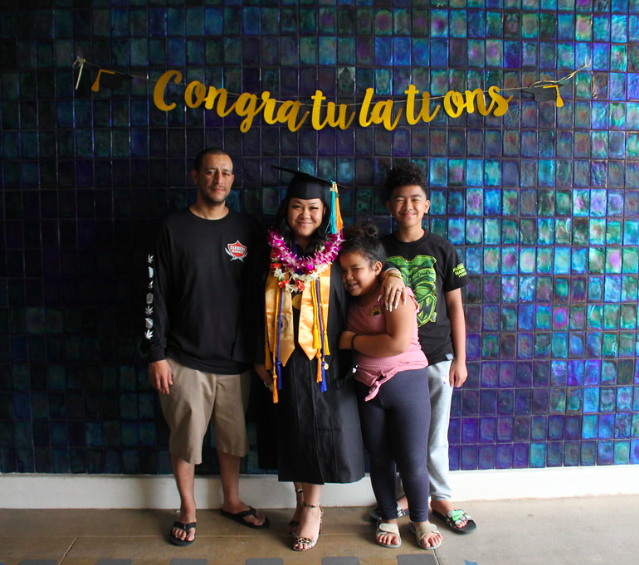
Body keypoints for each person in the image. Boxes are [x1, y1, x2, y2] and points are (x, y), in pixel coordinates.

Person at [253, 168, 404, 552]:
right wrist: (259, 358)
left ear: (326, 211)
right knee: (292, 430)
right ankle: (302, 501)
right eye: (298, 206)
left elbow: (371, 265)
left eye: (314, 208)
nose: (305, 215)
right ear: (286, 209)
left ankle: (313, 509)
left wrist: (393, 274)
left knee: (318, 433)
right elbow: (249, 307)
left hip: (326, 361)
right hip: (281, 361)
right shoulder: (268, 253)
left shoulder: (336, 250)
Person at [144, 147, 268, 547]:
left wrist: (259, 355)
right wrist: (156, 354)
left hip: (236, 359)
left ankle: (231, 500)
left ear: (234, 180)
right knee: (186, 439)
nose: (219, 180)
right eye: (211, 172)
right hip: (184, 357)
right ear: (195, 176)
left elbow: (261, 299)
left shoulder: (249, 231)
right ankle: (188, 508)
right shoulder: (173, 228)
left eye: (227, 173)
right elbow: (155, 294)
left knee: (232, 440)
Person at [377, 162, 476, 534]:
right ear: (389, 206)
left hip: (436, 356)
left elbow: (455, 307)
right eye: (400, 200)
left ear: (427, 205)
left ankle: (441, 495)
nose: (408, 206)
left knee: (435, 433)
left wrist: (459, 359)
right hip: (395, 358)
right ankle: (408, 494)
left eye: (416, 199)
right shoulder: (380, 249)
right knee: (402, 432)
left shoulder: (441, 248)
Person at [338, 222, 443, 550]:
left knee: (412, 460)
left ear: (377, 268)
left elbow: (397, 343)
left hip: (406, 385)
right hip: (367, 388)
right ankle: (387, 516)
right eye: (343, 271)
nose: (349, 277)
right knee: (380, 460)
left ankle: (421, 519)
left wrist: (351, 340)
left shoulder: (394, 292)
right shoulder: (348, 299)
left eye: (356, 269)